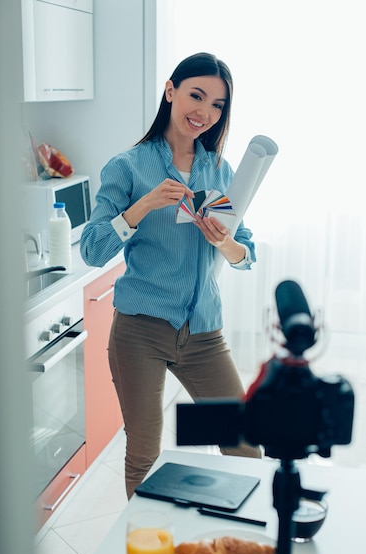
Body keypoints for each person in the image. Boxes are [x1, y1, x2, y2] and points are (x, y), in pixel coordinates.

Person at [80, 52, 261, 499]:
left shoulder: (218, 170)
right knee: (143, 453)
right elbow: (92, 249)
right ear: (171, 91)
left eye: (217, 105)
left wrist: (224, 241)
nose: (204, 112)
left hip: (202, 332)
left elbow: (246, 254)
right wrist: (141, 207)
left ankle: (236, 543)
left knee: (243, 448)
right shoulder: (128, 167)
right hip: (140, 329)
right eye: (196, 95)